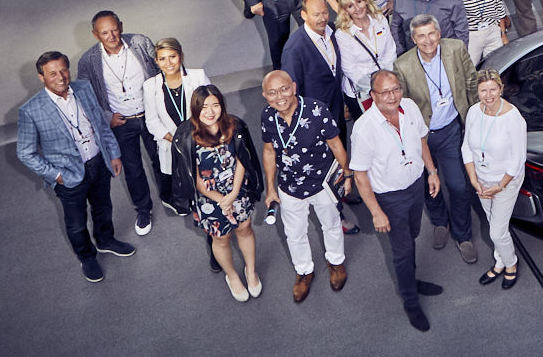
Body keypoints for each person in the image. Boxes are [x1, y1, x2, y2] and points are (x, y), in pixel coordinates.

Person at [16, 51, 132, 282]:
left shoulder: (84, 88)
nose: (60, 77)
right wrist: (55, 175)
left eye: (63, 70)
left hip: (98, 162)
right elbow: (25, 152)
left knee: (103, 207)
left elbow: (101, 123)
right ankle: (87, 257)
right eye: (52, 73)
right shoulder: (31, 110)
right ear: (41, 77)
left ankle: (106, 240)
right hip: (68, 175)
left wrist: (113, 154)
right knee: (76, 223)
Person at [349, 69, 444, 331]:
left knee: (412, 236)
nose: (392, 96)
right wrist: (376, 212)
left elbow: (422, 140)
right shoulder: (364, 129)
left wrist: (432, 172)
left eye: (395, 90)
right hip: (390, 198)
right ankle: (411, 302)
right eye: (385, 92)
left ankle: (410, 281)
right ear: (373, 95)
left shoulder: (410, 107)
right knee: (402, 250)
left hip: (415, 187)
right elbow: (360, 176)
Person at [392, 17, 479, 264]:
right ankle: (440, 222)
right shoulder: (403, 65)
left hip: (451, 129)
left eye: (431, 34)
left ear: (439, 33)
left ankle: (463, 235)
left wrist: (476, 119)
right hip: (423, 135)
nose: (427, 40)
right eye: (421, 36)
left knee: (458, 185)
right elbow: (402, 105)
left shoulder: (456, 49)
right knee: (428, 185)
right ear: (413, 39)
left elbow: (471, 81)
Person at [260, 70, 349, 302]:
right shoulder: (268, 116)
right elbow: (269, 151)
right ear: (265, 95)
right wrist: (270, 188)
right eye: (272, 92)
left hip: (322, 182)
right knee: (294, 233)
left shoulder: (316, 110)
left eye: (284, 89)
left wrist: (347, 174)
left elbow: (335, 143)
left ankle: (336, 261)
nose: (280, 97)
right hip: (289, 186)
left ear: (294, 87)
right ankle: (304, 271)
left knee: (331, 224)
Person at [76, 12, 161, 236]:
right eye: (104, 32)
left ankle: (171, 197)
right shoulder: (88, 61)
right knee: (133, 170)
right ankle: (143, 210)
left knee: (162, 159)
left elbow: (162, 69)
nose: (111, 36)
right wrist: (107, 117)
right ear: (95, 34)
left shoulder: (140, 43)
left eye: (114, 29)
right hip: (122, 123)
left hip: (151, 115)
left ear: (121, 26)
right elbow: (85, 96)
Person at [175, 85, 262, 302]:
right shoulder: (186, 135)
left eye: (215, 105)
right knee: (221, 238)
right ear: (195, 109)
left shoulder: (234, 125)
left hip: (237, 190)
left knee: (245, 228)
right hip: (209, 198)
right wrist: (221, 200)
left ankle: (251, 271)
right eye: (204, 107)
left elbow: (243, 159)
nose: (210, 111)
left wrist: (233, 194)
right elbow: (193, 177)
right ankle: (232, 276)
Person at [463, 70, 526, 290]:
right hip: (481, 179)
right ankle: (500, 261)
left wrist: (500, 186)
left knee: (497, 232)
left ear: (501, 89)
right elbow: (466, 148)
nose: (488, 95)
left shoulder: (513, 118)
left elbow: (518, 159)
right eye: (483, 90)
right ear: (477, 91)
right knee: (493, 223)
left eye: (493, 89)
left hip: (505, 181)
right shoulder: (474, 112)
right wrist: (474, 180)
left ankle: (510, 263)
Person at [142, 37, 211, 218]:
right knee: (179, 177)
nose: (168, 63)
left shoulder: (198, 76)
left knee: (206, 173)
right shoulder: (150, 86)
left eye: (172, 56)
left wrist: (196, 136)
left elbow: (212, 108)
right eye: (162, 58)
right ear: (156, 61)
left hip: (201, 137)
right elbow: (152, 121)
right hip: (171, 142)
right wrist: (177, 141)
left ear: (181, 56)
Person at [282, 0, 345, 129]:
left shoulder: (333, 30)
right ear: (303, 15)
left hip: (338, 106)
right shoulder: (294, 48)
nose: (322, 19)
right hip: (315, 116)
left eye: (325, 13)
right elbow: (292, 89)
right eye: (316, 15)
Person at [335, 0, 398, 118]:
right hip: (362, 91)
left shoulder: (380, 20)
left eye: (359, 2)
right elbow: (349, 68)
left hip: (386, 86)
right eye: (350, 6)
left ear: (366, 1)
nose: (357, 8)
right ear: (345, 11)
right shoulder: (343, 34)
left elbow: (390, 52)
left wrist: (385, 81)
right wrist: (375, 88)